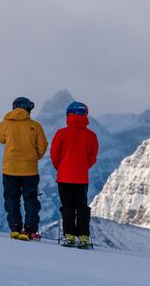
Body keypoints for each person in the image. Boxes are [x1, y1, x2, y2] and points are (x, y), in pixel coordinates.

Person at [0, 96, 48, 240]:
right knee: (30, 200)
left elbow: (0, 138)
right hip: (29, 169)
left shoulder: (5, 123)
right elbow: (43, 145)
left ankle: (15, 229)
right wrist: (35, 156)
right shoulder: (35, 125)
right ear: (27, 109)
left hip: (9, 168)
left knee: (12, 199)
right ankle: (30, 230)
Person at [50, 101, 99, 248]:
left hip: (64, 177)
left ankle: (69, 236)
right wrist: (83, 167)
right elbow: (92, 157)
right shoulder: (91, 136)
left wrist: (61, 167)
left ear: (69, 114)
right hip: (82, 177)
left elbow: (54, 154)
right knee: (81, 206)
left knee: (67, 206)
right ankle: (84, 236)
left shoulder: (61, 133)